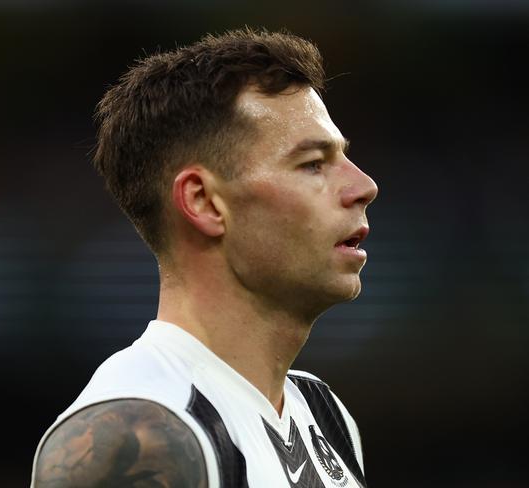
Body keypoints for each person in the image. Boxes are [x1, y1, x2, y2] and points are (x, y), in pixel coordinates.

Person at [31, 27, 378, 488]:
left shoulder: (321, 413)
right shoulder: (137, 436)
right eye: (312, 163)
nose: (363, 187)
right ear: (203, 202)